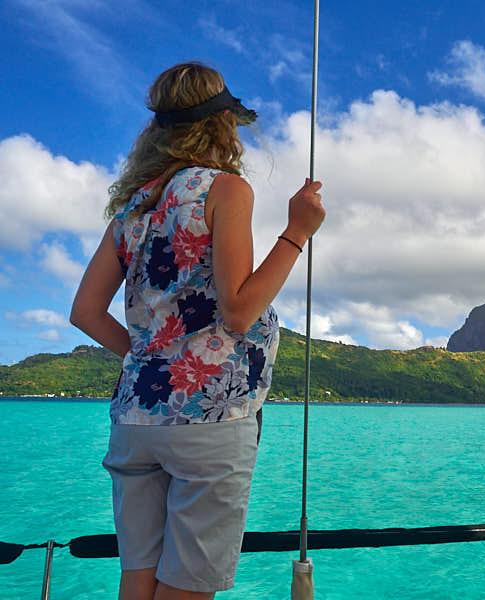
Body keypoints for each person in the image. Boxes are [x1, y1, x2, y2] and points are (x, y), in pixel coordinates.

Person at [70, 62, 325, 600]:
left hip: (136, 418)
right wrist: (297, 231)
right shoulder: (227, 191)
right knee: (188, 589)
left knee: (137, 580)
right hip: (209, 418)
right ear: (223, 123)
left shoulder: (132, 206)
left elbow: (87, 313)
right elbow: (238, 311)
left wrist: (149, 358)